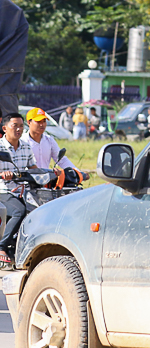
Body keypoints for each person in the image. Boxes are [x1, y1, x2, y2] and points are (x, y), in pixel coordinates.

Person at [0, 113, 40, 265]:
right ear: (5, 128)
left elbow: (34, 168)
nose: (18, 129)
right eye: (14, 125)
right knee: (19, 211)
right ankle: (1, 246)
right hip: (3, 190)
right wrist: (2, 174)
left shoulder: (25, 146)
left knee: (38, 209)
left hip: (23, 190)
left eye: (21, 126)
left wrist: (50, 173)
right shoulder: (0, 147)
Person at [22, 108, 90, 180]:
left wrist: (78, 173)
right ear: (29, 122)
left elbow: (61, 160)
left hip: (45, 183)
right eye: (38, 121)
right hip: (27, 184)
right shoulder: (22, 142)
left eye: (44, 121)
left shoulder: (49, 140)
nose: (42, 124)